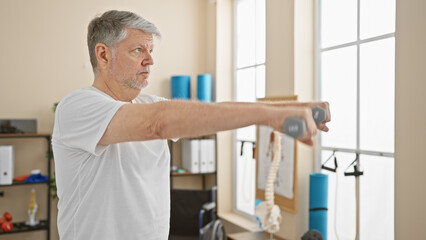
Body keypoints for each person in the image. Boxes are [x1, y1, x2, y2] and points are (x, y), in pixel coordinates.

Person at [52, 10, 330, 240]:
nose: (150, 60)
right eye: (138, 50)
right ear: (103, 55)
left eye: (150, 50)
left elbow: (215, 111)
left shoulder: (148, 103)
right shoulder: (77, 107)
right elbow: (158, 123)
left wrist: (293, 109)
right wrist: (269, 117)